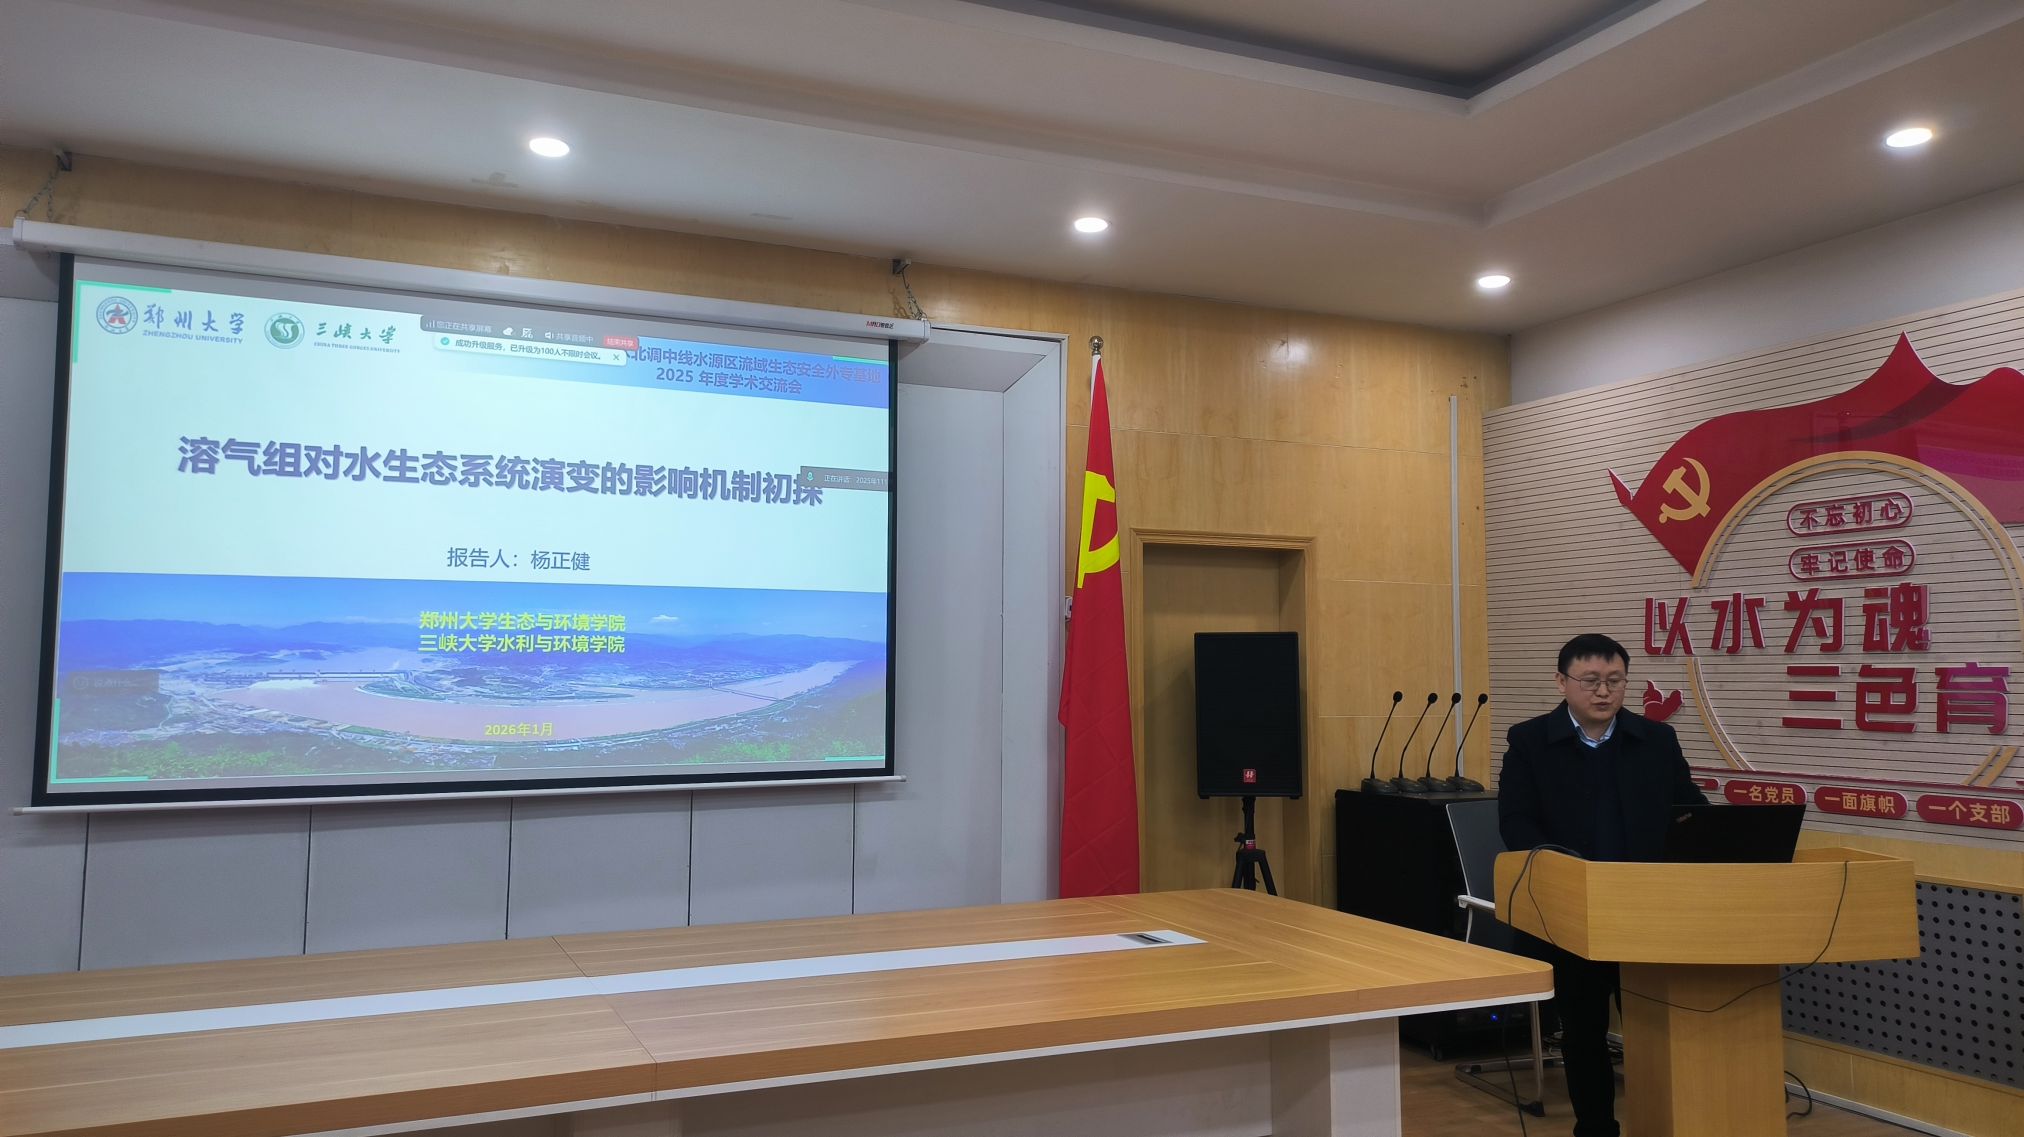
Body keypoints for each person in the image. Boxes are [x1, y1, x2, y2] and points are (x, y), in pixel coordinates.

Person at [1497, 633, 1708, 1137]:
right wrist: (1565, 872)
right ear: (1562, 682)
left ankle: (1666, 1123)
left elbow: (1691, 811)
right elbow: (1516, 823)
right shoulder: (1529, 741)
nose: (1603, 691)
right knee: (1584, 1030)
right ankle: (1595, 1129)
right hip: (1574, 912)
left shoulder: (1655, 740)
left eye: (1615, 680)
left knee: (1654, 1026)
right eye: (1590, 680)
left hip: (1648, 910)